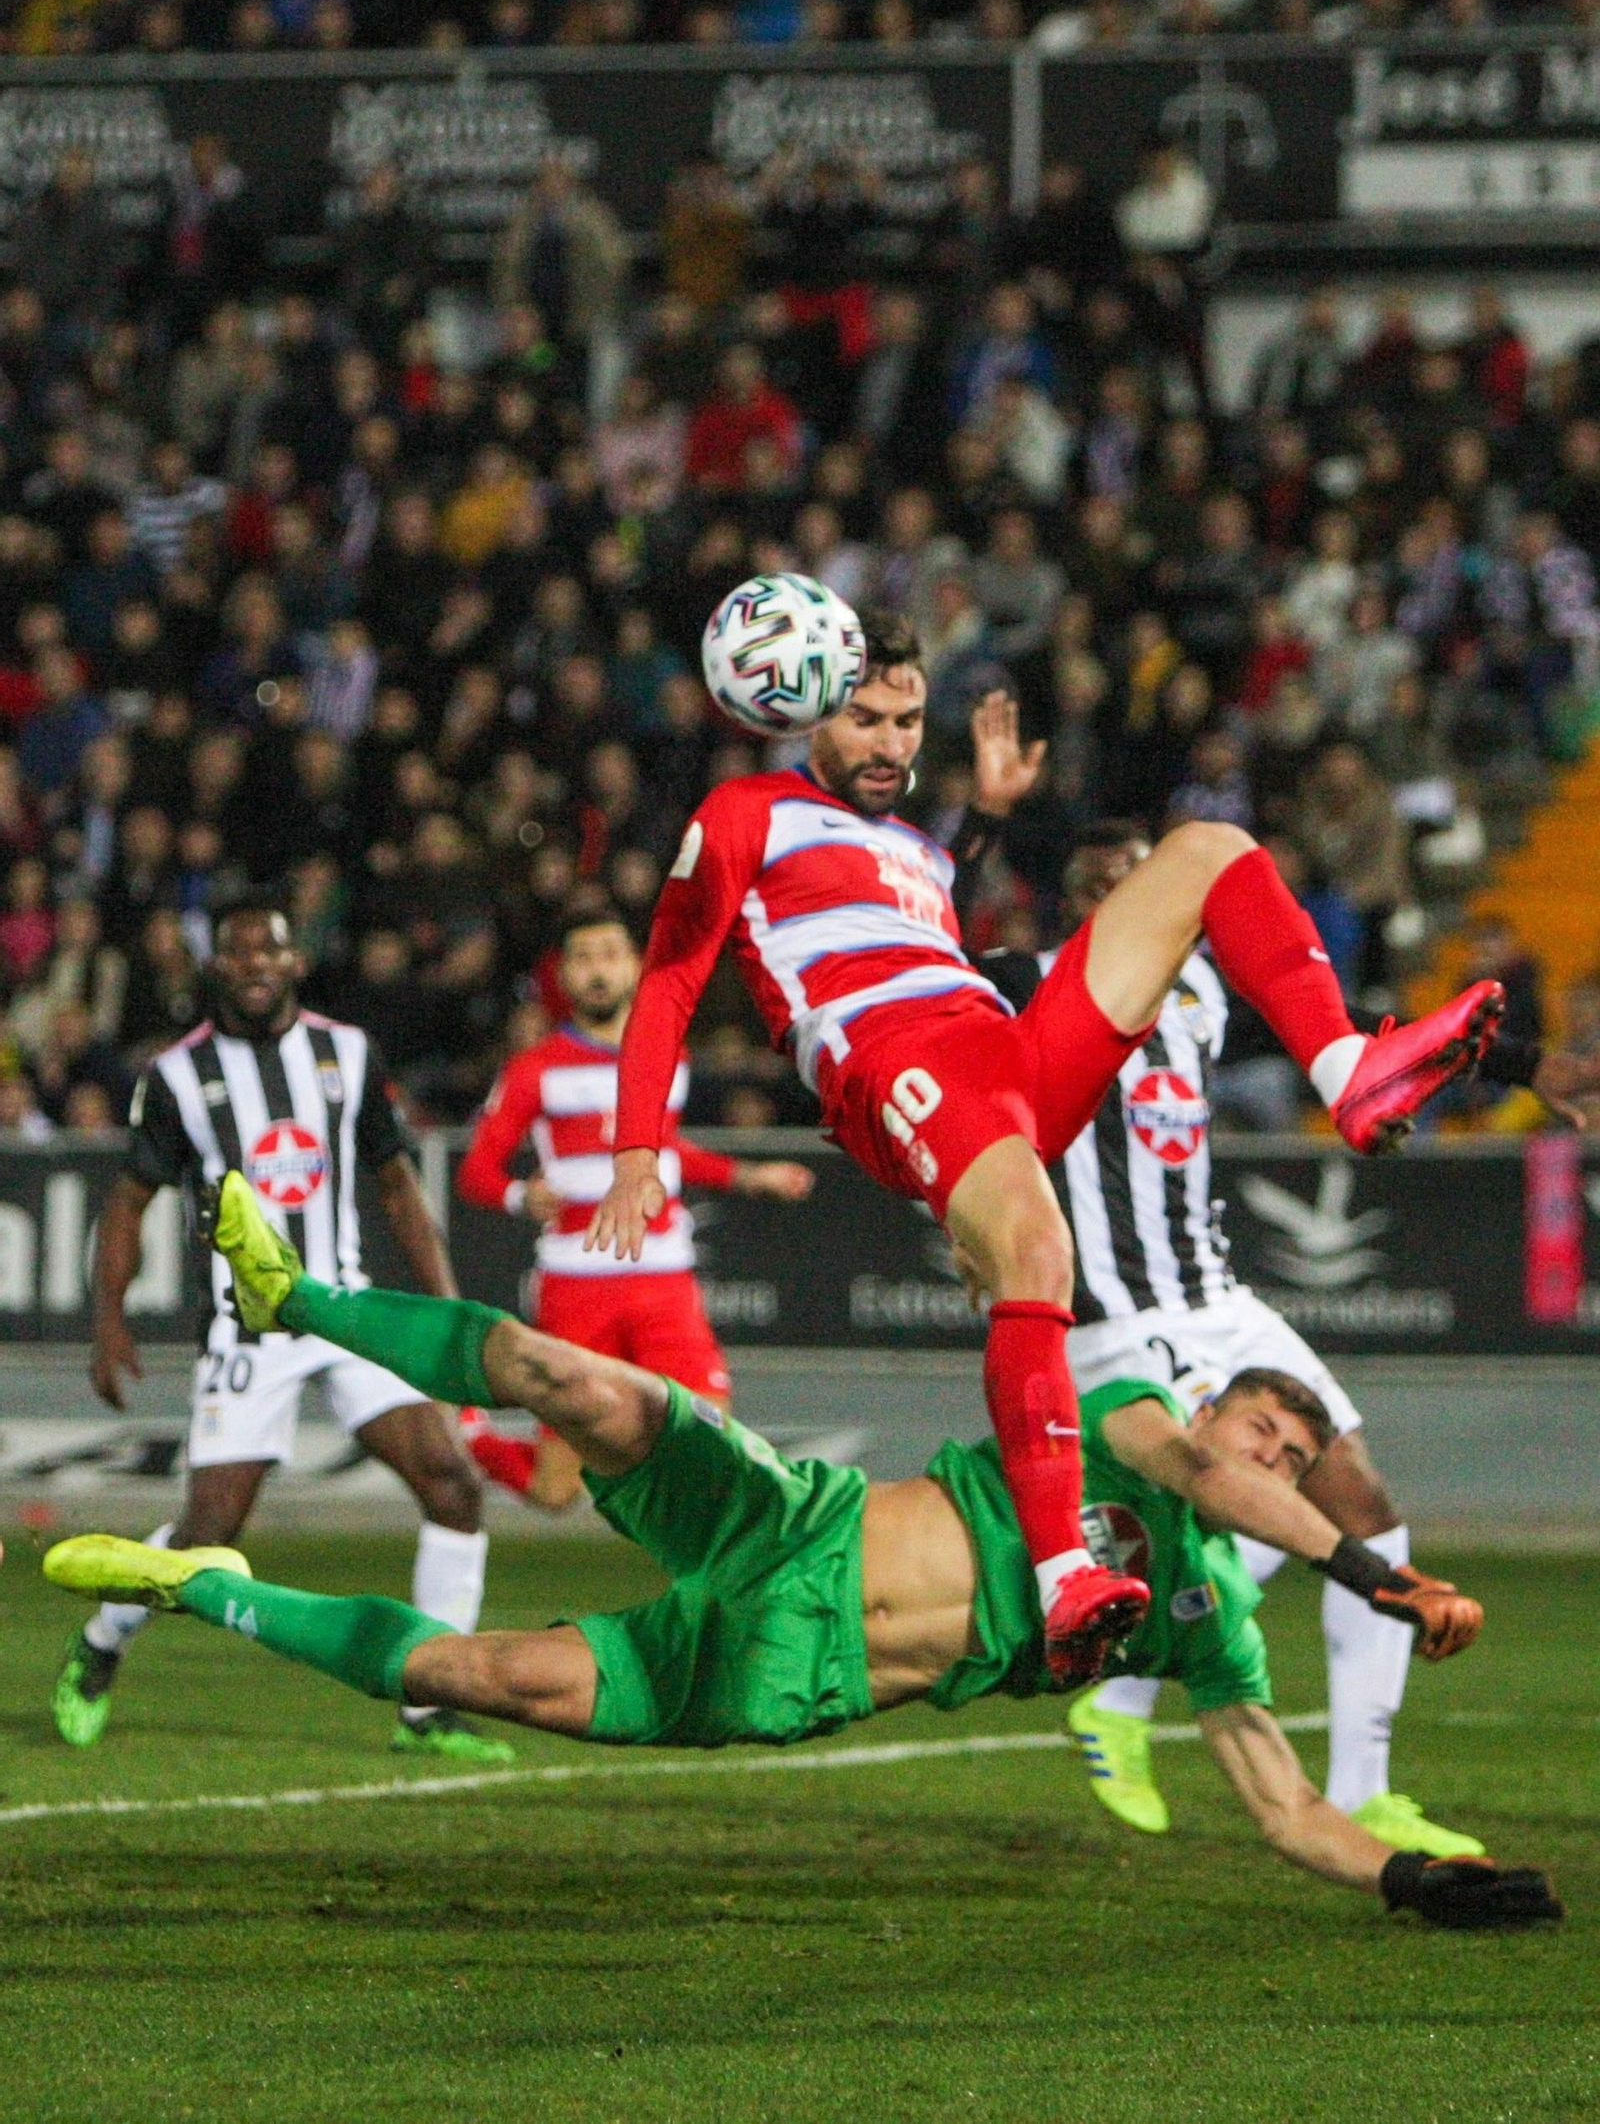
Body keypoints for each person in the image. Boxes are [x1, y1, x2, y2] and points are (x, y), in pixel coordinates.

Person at [45, 1177, 1562, 1935]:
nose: (1270, 1459)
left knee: (472, 1668)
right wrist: (1378, 1572)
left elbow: (1289, 1808)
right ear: (1215, 1406)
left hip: (790, 1668)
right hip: (794, 1520)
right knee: (555, 1369)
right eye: (1262, 1428)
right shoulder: (1128, 1421)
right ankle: (297, 1290)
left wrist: (1424, 1878)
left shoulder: (1198, 1619)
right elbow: (1218, 1484)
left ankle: (199, 1586)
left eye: (1299, 1456)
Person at [586, 616, 1506, 1685]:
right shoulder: (747, 812)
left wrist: (983, 813)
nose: (891, 741)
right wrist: (636, 1145)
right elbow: (669, 977)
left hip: (1000, 1053)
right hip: (896, 1064)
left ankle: (1346, 1067)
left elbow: (926, 885)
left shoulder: (912, 847)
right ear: (799, 713)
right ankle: (1065, 1570)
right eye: (865, 719)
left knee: (1209, 851)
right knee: (1037, 1254)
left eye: (906, 719)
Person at [974, 818, 1600, 1853]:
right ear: (1082, 899)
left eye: (1144, 879)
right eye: (1104, 882)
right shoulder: (1016, 980)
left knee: (1360, 1496)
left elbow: (1368, 1031)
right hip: (1108, 1310)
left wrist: (1534, 1067)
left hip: (1215, 1295)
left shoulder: (1207, 991)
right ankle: (1119, 1700)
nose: (1136, 898)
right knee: (1221, 1497)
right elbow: (911, 962)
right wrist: (983, 822)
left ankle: (1361, 1788)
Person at [52, 897, 509, 1765]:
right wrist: (107, 1322)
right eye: (238, 950)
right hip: (246, 1329)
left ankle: (429, 1706)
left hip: (343, 1311)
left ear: (297, 963)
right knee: (209, 1539)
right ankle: (102, 1645)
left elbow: (399, 1184)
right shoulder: (179, 1076)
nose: (256, 962)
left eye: (272, 949)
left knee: (452, 1484)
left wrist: (445, 1308)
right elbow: (127, 1202)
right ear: (216, 966)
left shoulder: (346, 1053)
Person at [454, 908, 813, 1507]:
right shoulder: (534, 1070)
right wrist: (522, 1195)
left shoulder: (667, 1054)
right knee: (556, 1491)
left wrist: (749, 1175)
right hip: (578, 1286)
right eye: (583, 957)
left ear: (635, 966)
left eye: (610, 955)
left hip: (662, 1282)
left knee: (713, 1453)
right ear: (564, 975)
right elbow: (475, 1172)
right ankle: (467, 1429)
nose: (597, 971)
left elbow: (662, 1151)